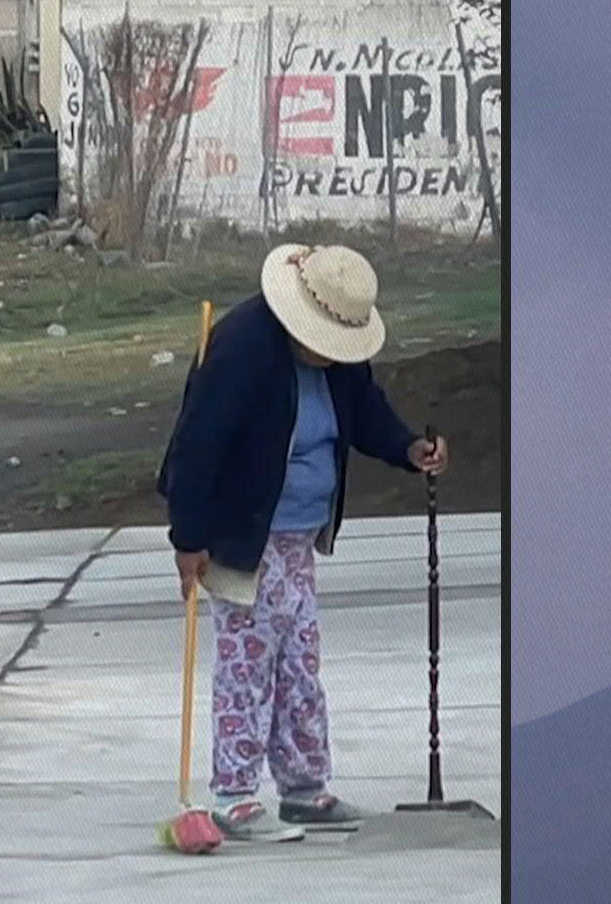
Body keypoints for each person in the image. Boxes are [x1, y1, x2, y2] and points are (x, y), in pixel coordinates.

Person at [158, 244, 450, 842]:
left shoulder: (335, 355)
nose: (335, 357)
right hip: (240, 538)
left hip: (296, 540)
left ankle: (304, 788)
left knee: (299, 668)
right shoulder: (241, 349)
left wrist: (404, 448)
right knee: (247, 668)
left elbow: (363, 409)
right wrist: (188, 539)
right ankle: (234, 795)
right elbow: (194, 448)